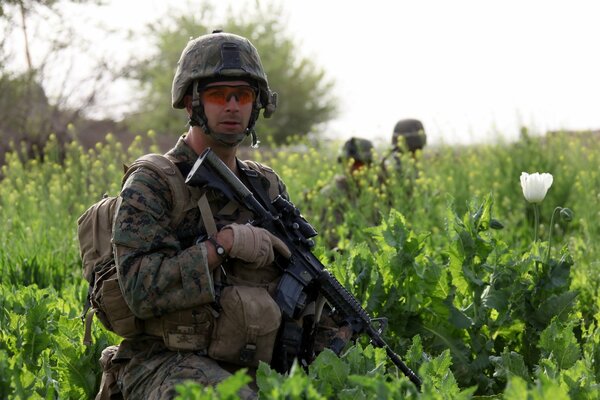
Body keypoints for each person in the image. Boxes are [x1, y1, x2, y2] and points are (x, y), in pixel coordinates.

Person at [96, 31, 349, 399]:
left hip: (252, 363)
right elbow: (140, 289)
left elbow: (301, 285)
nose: (232, 106)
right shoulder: (155, 182)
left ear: (256, 104)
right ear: (190, 102)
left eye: (242, 95)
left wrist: (335, 339)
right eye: (218, 95)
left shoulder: (267, 187)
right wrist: (223, 246)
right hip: (163, 361)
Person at [318, 137, 375, 249]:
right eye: (349, 164)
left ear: (369, 166)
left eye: (358, 165)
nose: (353, 169)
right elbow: (331, 238)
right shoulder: (331, 194)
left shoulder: (374, 193)